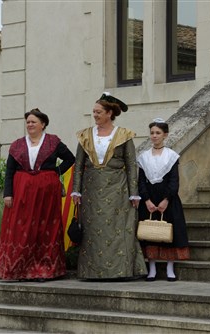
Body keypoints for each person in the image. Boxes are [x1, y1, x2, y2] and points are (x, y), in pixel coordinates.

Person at [71, 92, 147, 280]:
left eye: (99, 112)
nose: (95, 115)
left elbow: (131, 165)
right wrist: (76, 189)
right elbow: (79, 165)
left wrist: (134, 193)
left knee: (118, 229)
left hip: (117, 188)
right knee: (93, 231)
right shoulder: (85, 135)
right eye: (94, 112)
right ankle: (92, 272)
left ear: (109, 113)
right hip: (91, 190)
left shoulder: (123, 135)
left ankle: (121, 270)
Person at [0, 108, 75, 281]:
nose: (30, 125)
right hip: (22, 190)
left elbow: (70, 158)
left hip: (46, 192)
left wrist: (55, 172)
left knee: (44, 228)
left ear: (43, 124)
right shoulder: (17, 145)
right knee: (22, 228)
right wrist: (7, 193)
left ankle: (44, 270)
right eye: (28, 122)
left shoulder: (53, 142)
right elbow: (10, 170)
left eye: (33, 122)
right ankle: (20, 269)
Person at [137, 118, 190, 282]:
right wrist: (146, 200)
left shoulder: (171, 156)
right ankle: (151, 267)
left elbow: (174, 180)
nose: (154, 136)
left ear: (165, 135)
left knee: (169, 232)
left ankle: (169, 267)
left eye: (158, 133)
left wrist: (167, 199)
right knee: (149, 232)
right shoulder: (144, 157)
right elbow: (140, 181)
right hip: (150, 200)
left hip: (168, 199)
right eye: (152, 133)